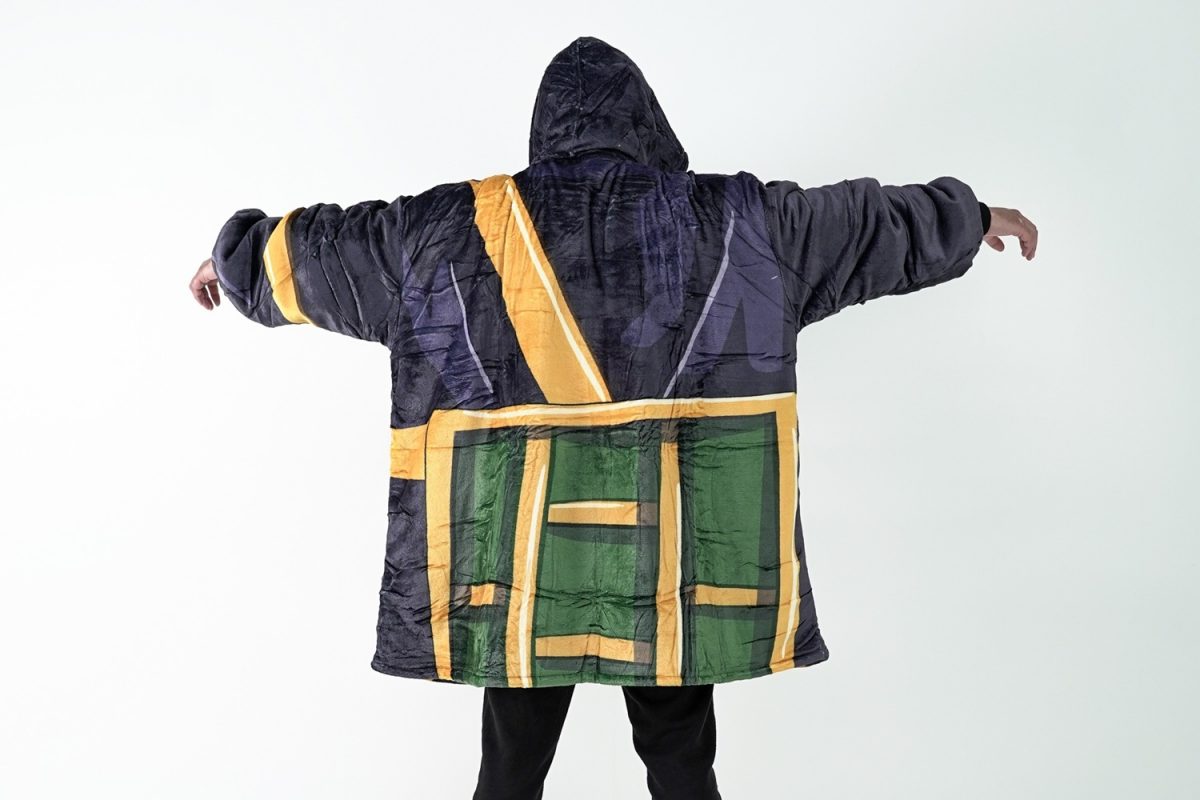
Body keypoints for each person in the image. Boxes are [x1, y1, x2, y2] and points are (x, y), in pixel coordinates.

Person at [189, 35, 1037, 800]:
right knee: (680, 762)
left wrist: (234, 266)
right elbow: (860, 226)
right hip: (672, 560)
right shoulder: (739, 220)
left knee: (510, 771)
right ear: (647, 121)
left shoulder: (445, 229)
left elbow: (326, 251)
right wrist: (966, 220)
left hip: (518, 567)